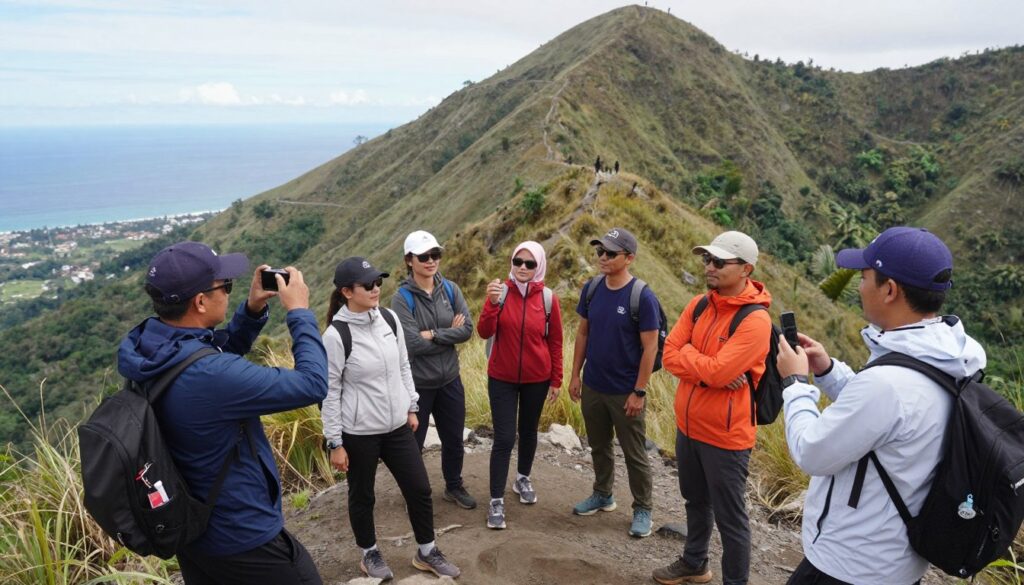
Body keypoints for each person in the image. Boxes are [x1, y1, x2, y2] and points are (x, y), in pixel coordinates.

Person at [777, 226, 985, 585]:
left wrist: (795, 384)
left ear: (889, 290)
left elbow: (811, 452)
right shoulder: (952, 358)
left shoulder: (888, 383)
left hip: (849, 565)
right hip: (896, 560)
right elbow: (888, 417)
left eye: (864, 276)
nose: (859, 286)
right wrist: (827, 370)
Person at [117, 242, 327, 585]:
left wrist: (252, 309)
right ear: (200, 301)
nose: (229, 292)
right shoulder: (212, 376)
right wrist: (299, 312)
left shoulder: (151, 347)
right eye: (225, 286)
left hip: (192, 526)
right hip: (242, 533)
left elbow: (205, 354)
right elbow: (313, 383)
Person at [322, 257, 460, 580]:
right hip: (359, 432)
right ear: (346, 291)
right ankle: (368, 554)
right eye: (368, 285)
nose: (376, 288)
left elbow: (402, 366)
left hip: (396, 426)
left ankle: (427, 551)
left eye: (378, 282)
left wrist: (411, 407)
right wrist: (335, 442)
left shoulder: (389, 319)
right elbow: (328, 392)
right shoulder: (335, 336)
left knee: (420, 489)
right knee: (363, 495)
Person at [652, 231, 772, 585]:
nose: (709, 267)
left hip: (725, 436)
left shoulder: (755, 321)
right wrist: (706, 368)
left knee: (731, 519)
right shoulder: (700, 304)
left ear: (746, 269)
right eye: (707, 259)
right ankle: (694, 562)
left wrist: (705, 367)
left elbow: (718, 370)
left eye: (719, 262)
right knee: (695, 500)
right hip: (689, 426)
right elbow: (670, 354)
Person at [568, 227, 659, 538]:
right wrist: (575, 374)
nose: (602, 258)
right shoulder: (592, 288)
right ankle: (603, 494)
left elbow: (651, 347)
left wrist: (639, 391)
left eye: (610, 253)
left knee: (634, 452)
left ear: (629, 258)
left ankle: (643, 508)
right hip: (594, 384)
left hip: (625, 391)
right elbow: (583, 333)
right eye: (600, 252)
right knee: (599, 445)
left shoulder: (642, 297)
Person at [477, 241, 564, 530]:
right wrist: (490, 305)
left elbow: (555, 342)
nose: (523, 268)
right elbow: (484, 331)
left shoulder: (549, 299)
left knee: (528, 431)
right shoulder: (500, 294)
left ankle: (523, 478)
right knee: (504, 438)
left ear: (539, 266)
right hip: (501, 377)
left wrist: (556, 379)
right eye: (518, 262)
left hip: (537, 379)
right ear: (511, 262)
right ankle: (496, 501)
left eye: (529, 263)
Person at [391, 230, 477, 509]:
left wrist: (433, 335)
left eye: (435, 255)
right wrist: (446, 334)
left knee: (453, 438)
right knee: (413, 445)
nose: (431, 261)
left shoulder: (451, 289)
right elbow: (412, 344)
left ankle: (453, 486)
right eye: (424, 256)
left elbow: (466, 330)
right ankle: (414, 495)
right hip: (418, 384)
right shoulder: (402, 298)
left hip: (450, 379)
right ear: (409, 260)